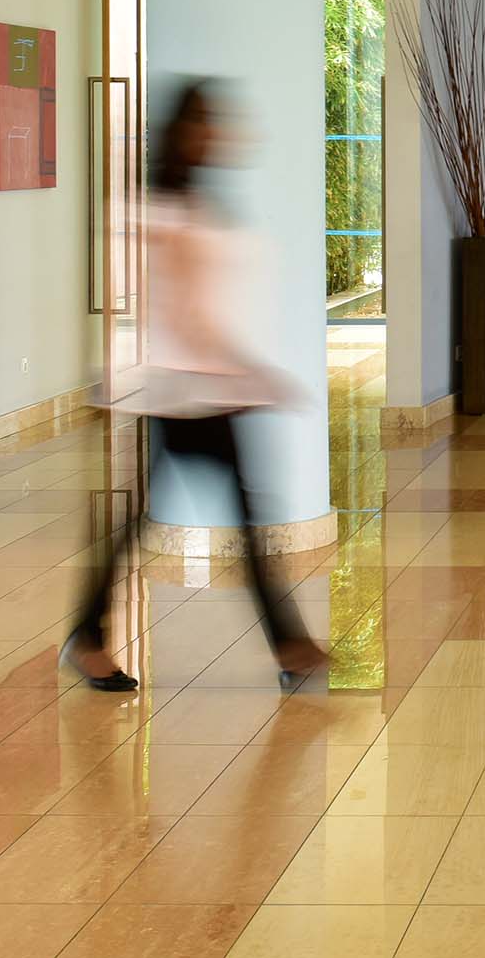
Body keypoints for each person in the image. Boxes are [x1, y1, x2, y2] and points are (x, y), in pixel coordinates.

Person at [67, 78, 325, 692]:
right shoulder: (168, 210)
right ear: (183, 131)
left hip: (201, 387)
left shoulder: (190, 201)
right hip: (190, 390)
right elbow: (185, 314)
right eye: (207, 122)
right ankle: (288, 647)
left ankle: (89, 637)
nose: (219, 133)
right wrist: (252, 372)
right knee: (227, 514)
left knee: (165, 518)